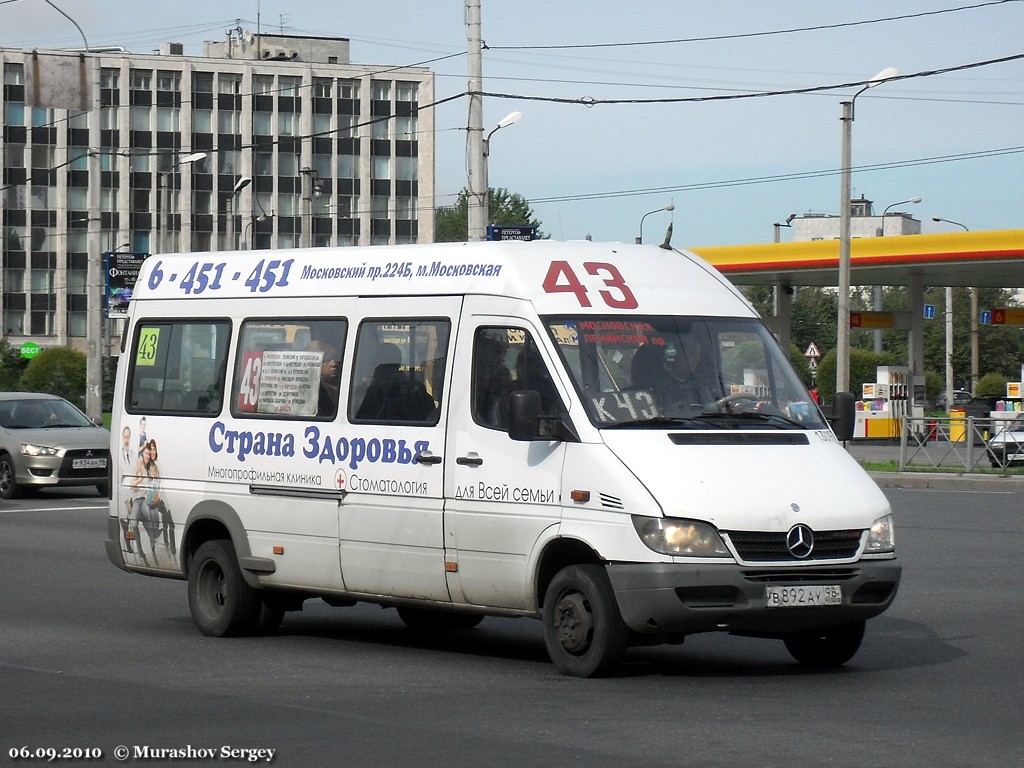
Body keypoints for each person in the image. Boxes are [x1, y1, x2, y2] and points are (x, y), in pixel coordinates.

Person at [654, 333, 718, 414]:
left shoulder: (704, 383)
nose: (696, 359)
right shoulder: (659, 388)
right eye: (691, 354)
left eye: (698, 355)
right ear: (676, 356)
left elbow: (719, 404)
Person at [307, 339, 341, 416]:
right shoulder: (314, 391)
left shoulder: (345, 385)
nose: (334, 364)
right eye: (327, 360)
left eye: (335, 359)